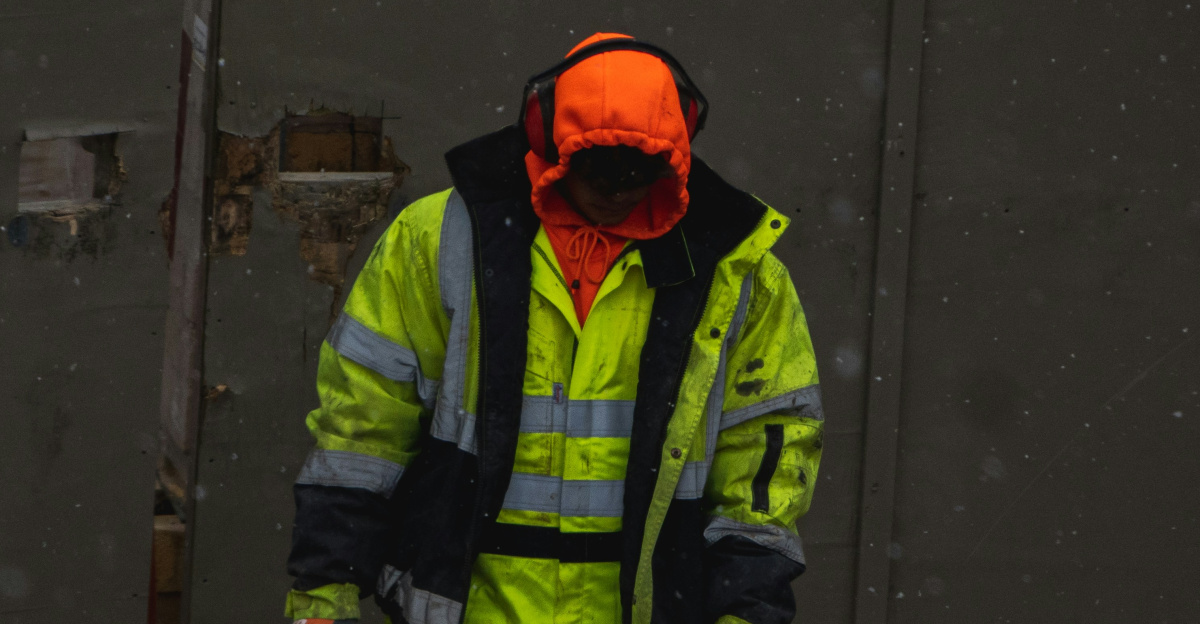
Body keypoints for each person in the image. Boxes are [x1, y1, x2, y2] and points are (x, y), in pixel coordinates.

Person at [285, 32, 825, 624]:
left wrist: (748, 606)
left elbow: (765, 459)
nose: (617, 194)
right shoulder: (441, 241)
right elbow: (363, 428)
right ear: (548, 143)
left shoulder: (737, 272)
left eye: (639, 174)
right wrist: (324, 591)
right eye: (600, 174)